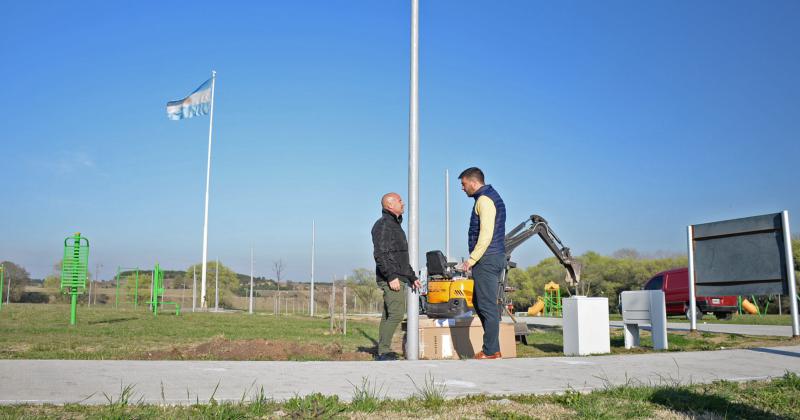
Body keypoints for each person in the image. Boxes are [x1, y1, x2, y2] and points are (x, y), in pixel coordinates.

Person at [458, 167, 506, 359]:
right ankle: (494, 348)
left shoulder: (484, 200)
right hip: (492, 256)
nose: (462, 188)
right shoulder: (490, 197)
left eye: (463, 184)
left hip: (487, 258)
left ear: (473, 182)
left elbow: (486, 234)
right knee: (480, 303)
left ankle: (491, 350)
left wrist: (471, 260)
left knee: (487, 306)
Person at [371, 192, 421, 361]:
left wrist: (412, 277)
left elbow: (400, 257)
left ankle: (383, 350)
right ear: (390, 205)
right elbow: (381, 253)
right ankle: (383, 352)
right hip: (391, 278)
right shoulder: (384, 225)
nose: (404, 203)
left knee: (388, 314)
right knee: (396, 314)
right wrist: (391, 276)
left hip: (397, 276)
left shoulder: (394, 225)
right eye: (400, 201)